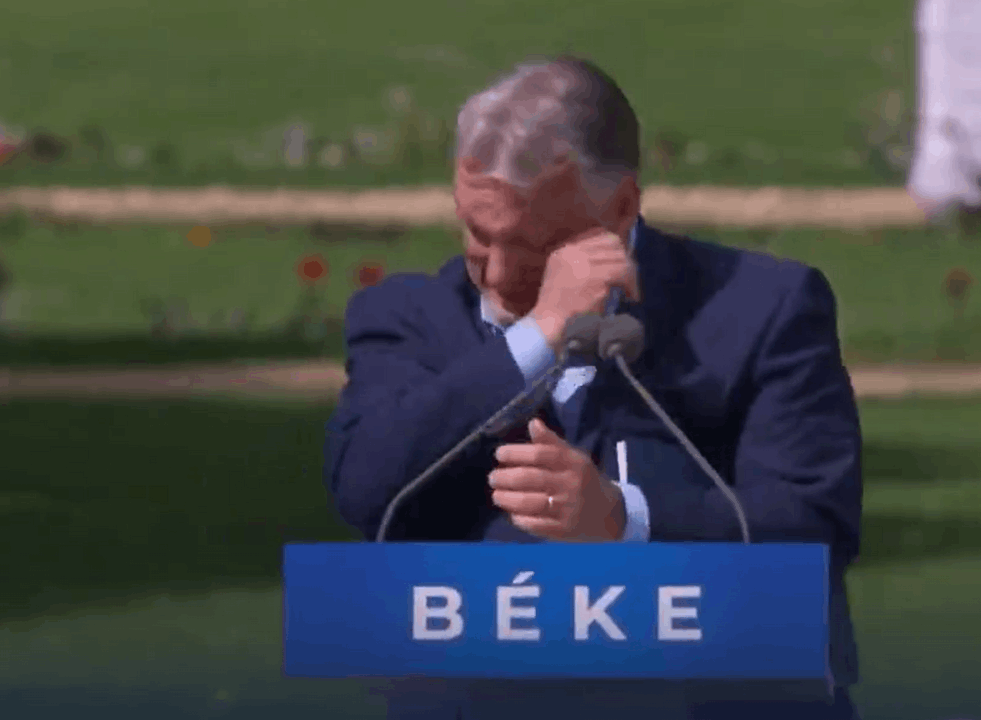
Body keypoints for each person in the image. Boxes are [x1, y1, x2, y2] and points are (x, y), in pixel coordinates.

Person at [323, 55, 863, 720]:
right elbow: (365, 488)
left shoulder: (761, 309)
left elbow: (810, 533)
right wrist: (539, 334)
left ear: (622, 206)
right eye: (477, 233)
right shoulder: (408, 318)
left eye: (532, 245)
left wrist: (622, 519)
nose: (496, 274)